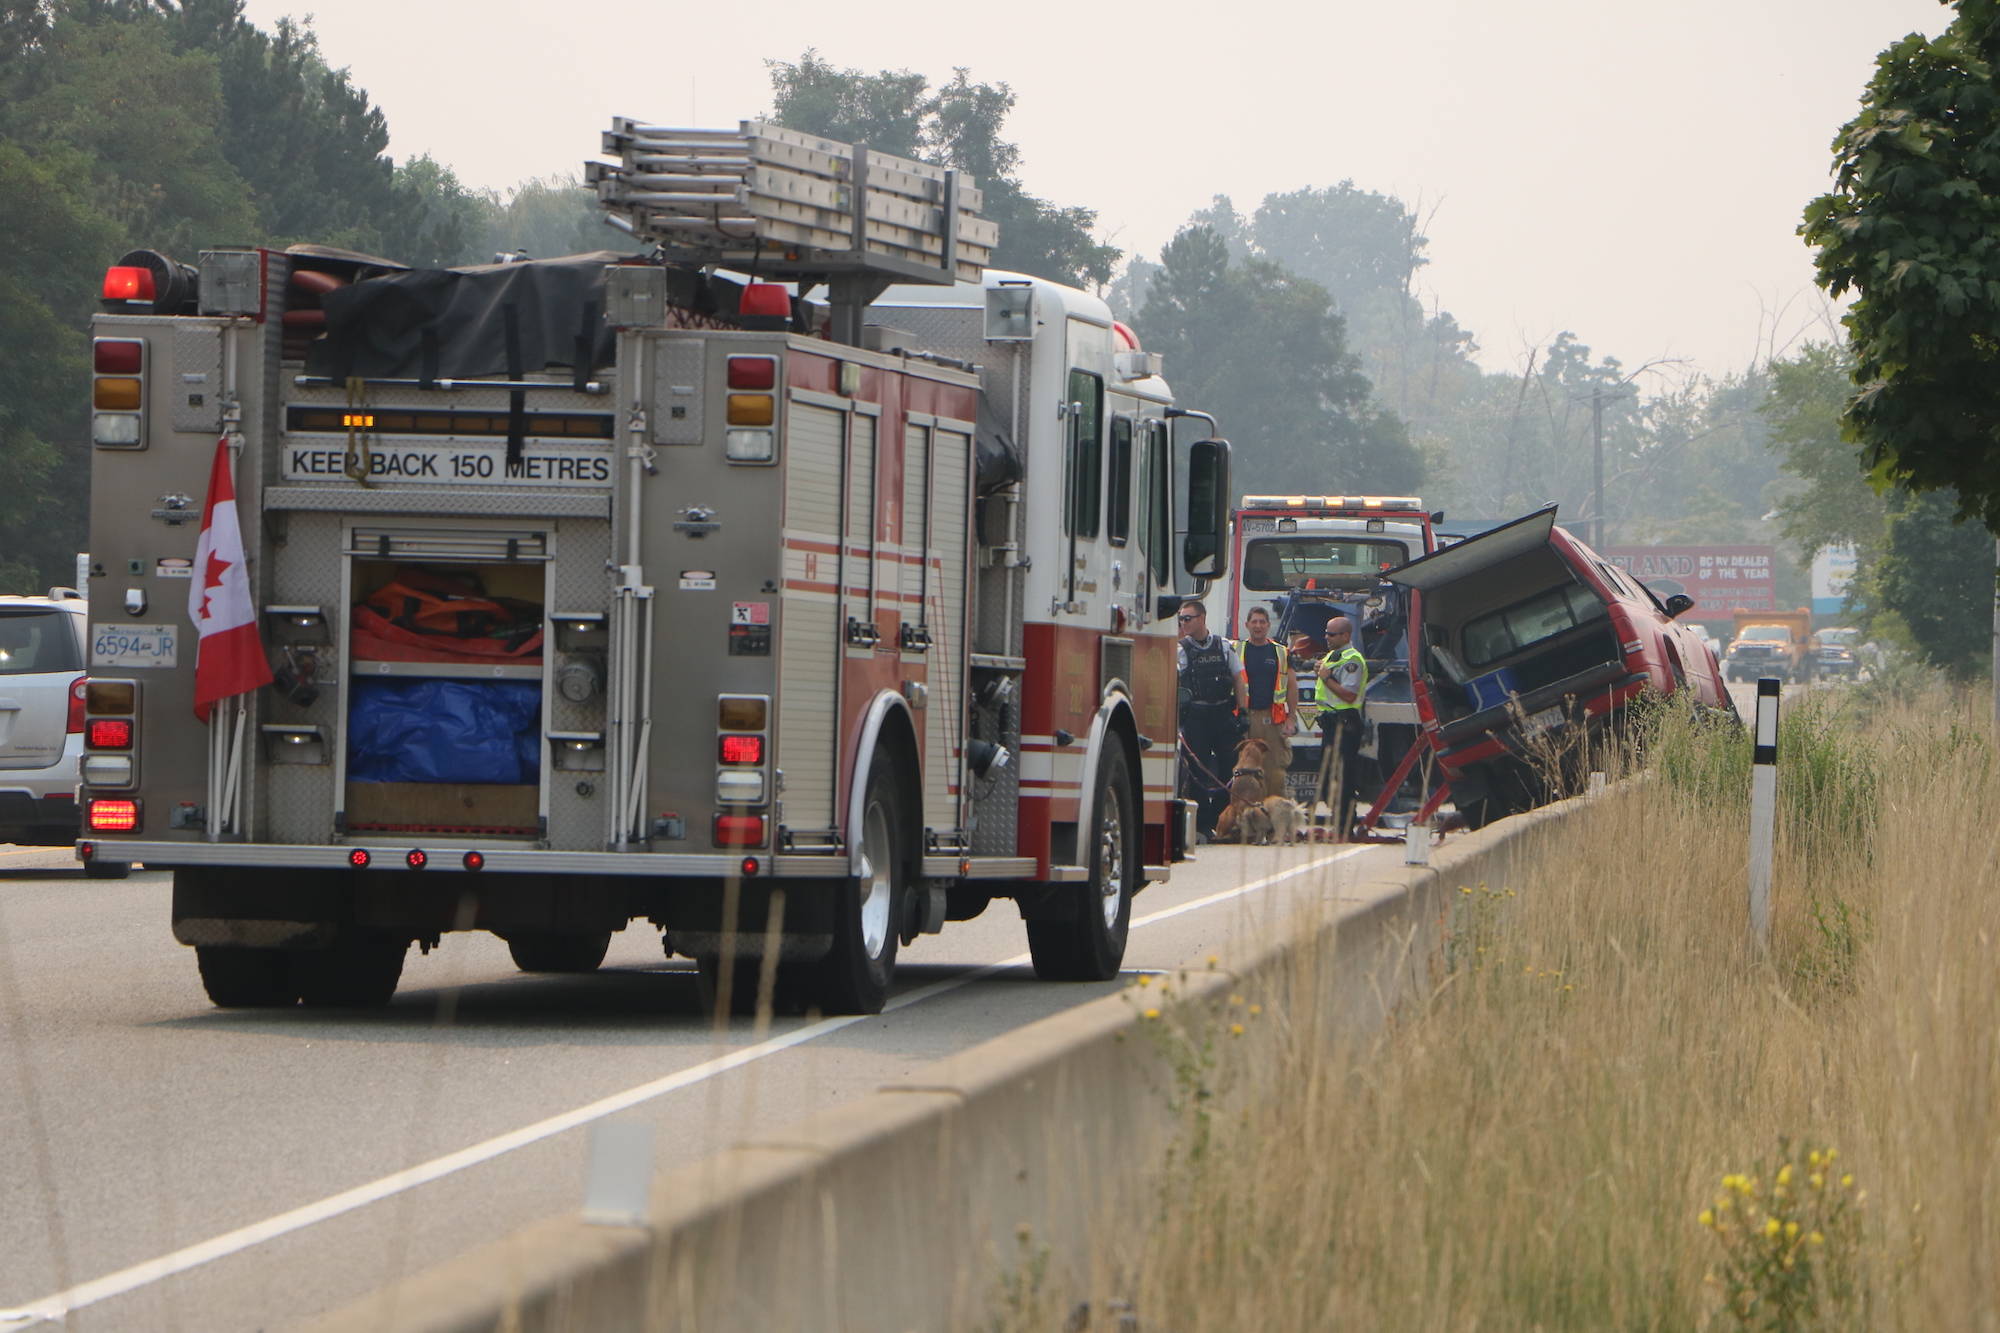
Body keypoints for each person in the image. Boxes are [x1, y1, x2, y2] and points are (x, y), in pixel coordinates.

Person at [1176, 599, 1245, 836]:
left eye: (1188, 618)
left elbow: (1238, 679)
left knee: (1229, 768)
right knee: (1198, 770)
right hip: (1196, 717)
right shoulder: (1181, 650)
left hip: (1223, 714)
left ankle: (1224, 821)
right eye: (1181, 619)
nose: (1183, 623)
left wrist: (1242, 712)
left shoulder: (1224, 646)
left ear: (1202, 618)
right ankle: (1203, 824)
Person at [1314, 615, 1370, 829]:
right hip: (1330, 722)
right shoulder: (1333, 655)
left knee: (1344, 776)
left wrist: (1326, 677)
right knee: (1328, 776)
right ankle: (1339, 817)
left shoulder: (1352, 659)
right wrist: (1321, 672)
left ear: (1346, 635)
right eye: (1326, 632)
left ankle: (1345, 824)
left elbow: (1349, 695)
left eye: (1331, 634)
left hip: (1345, 723)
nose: (1326, 637)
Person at [1233, 606, 1294, 800]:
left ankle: (1274, 819)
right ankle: (1247, 816)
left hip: (1272, 719)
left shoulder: (1281, 652)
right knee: (1244, 771)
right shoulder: (1235, 650)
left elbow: (1292, 686)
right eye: (1254, 622)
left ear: (1268, 625)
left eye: (1262, 622)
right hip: (1244, 719)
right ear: (1247, 625)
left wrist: (1291, 718)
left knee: (1274, 771)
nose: (1258, 626)